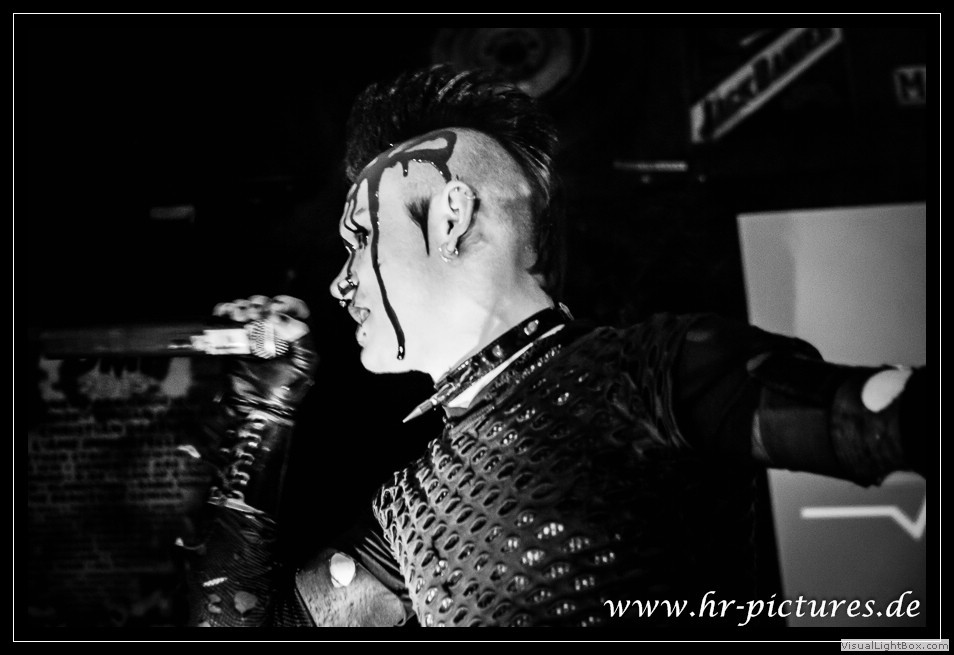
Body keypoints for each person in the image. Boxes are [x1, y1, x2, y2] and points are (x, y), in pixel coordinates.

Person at [178, 64, 926, 629]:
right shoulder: (410, 506)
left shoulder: (648, 374)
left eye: (361, 240)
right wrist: (261, 416)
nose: (340, 282)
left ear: (450, 217)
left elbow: (891, 418)